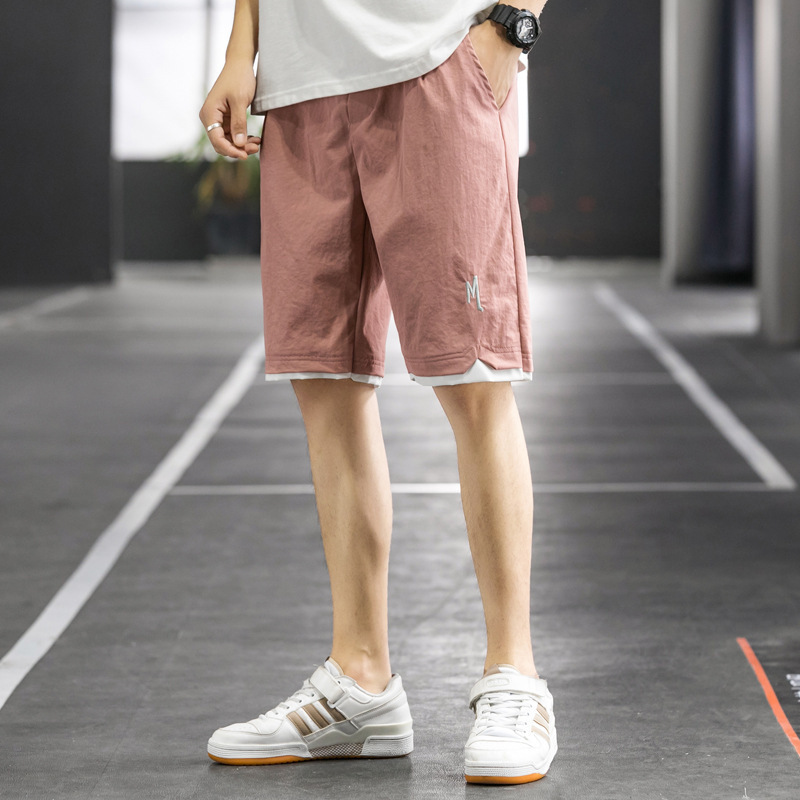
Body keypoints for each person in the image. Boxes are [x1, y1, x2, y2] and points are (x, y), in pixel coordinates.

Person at [199, 0, 556, 785]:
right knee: (324, 376)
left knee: (473, 375)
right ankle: (360, 683)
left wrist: (510, 25)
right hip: (301, 86)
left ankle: (515, 676)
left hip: (436, 56)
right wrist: (240, 51)